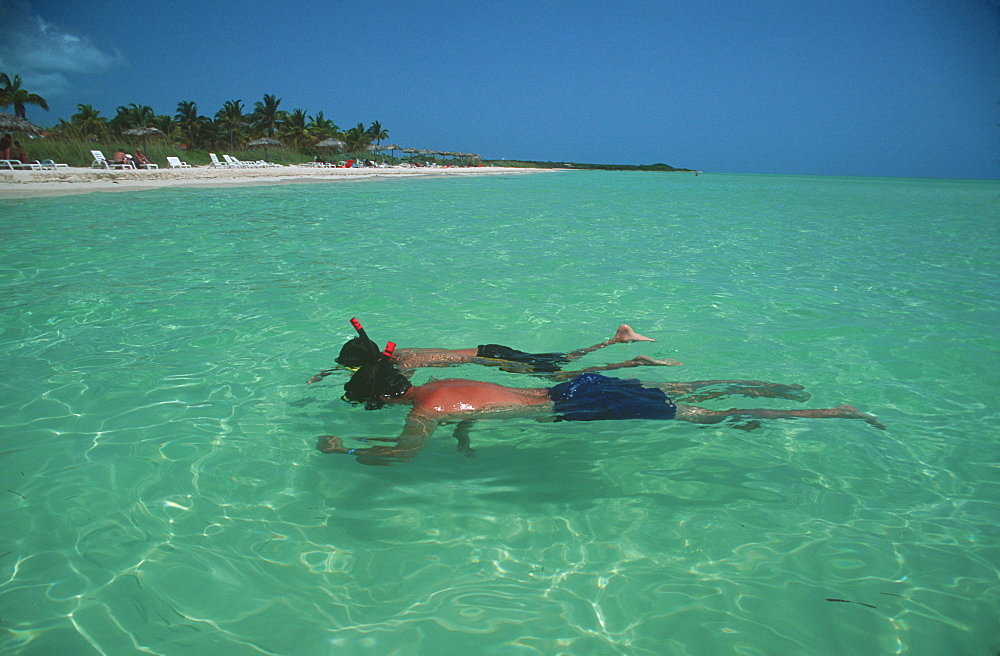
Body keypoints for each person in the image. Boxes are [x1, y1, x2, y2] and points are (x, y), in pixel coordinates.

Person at [316, 343, 886, 464]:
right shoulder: (440, 392)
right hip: (572, 391)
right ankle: (771, 385)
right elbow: (477, 407)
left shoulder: (422, 415)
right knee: (686, 391)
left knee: (701, 418)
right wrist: (466, 438)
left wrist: (343, 451)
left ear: (385, 403)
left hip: (576, 410)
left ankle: (834, 414)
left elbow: (400, 455)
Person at [308, 318, 682, 384]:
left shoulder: (400, 365)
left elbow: (388, 383)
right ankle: (617, 338)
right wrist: (329, 372)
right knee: (560, 359)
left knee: (562, 374)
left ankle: (632, 359)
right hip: (491, 348)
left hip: (495, 361)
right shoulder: (398, 350)